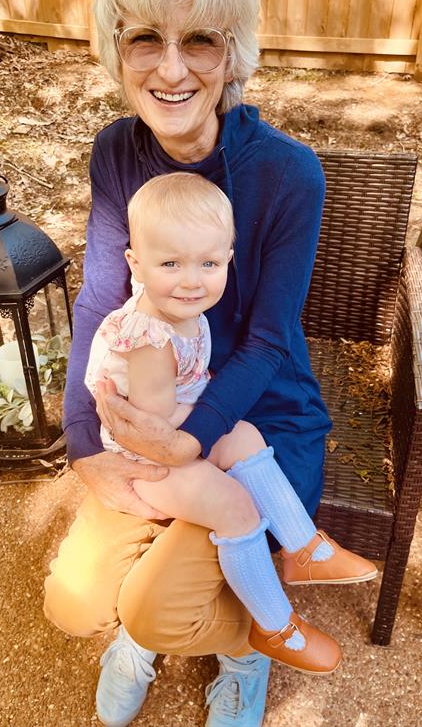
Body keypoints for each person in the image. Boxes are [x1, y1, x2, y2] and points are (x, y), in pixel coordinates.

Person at [43, 0, 375, 727]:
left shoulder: (287, 173)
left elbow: (266, 342)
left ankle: (244, 649)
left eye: (198, 40)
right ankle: (188, 611)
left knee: (155, 611)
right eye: (144, 39)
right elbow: (98, 299)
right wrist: (84, 443)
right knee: (74, 604)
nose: (170, 69)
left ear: (232, 55)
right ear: (116, 49)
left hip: (253, 421)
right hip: (149, 413)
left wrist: (185, 443)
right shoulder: (116, 152)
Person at [84, 170, 376, 676]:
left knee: (247, 435)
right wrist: (208, 429)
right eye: (170, 263)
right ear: (135, 264)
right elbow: (155, 429)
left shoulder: (185, 309)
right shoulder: (151, 339)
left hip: (170, 430)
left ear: (228, 260)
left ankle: (304, 548)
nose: (191, 280)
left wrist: (216, 422)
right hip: (142, 456)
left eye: (209, 263)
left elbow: (190, 399)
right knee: (236, 509)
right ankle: (274, 626)